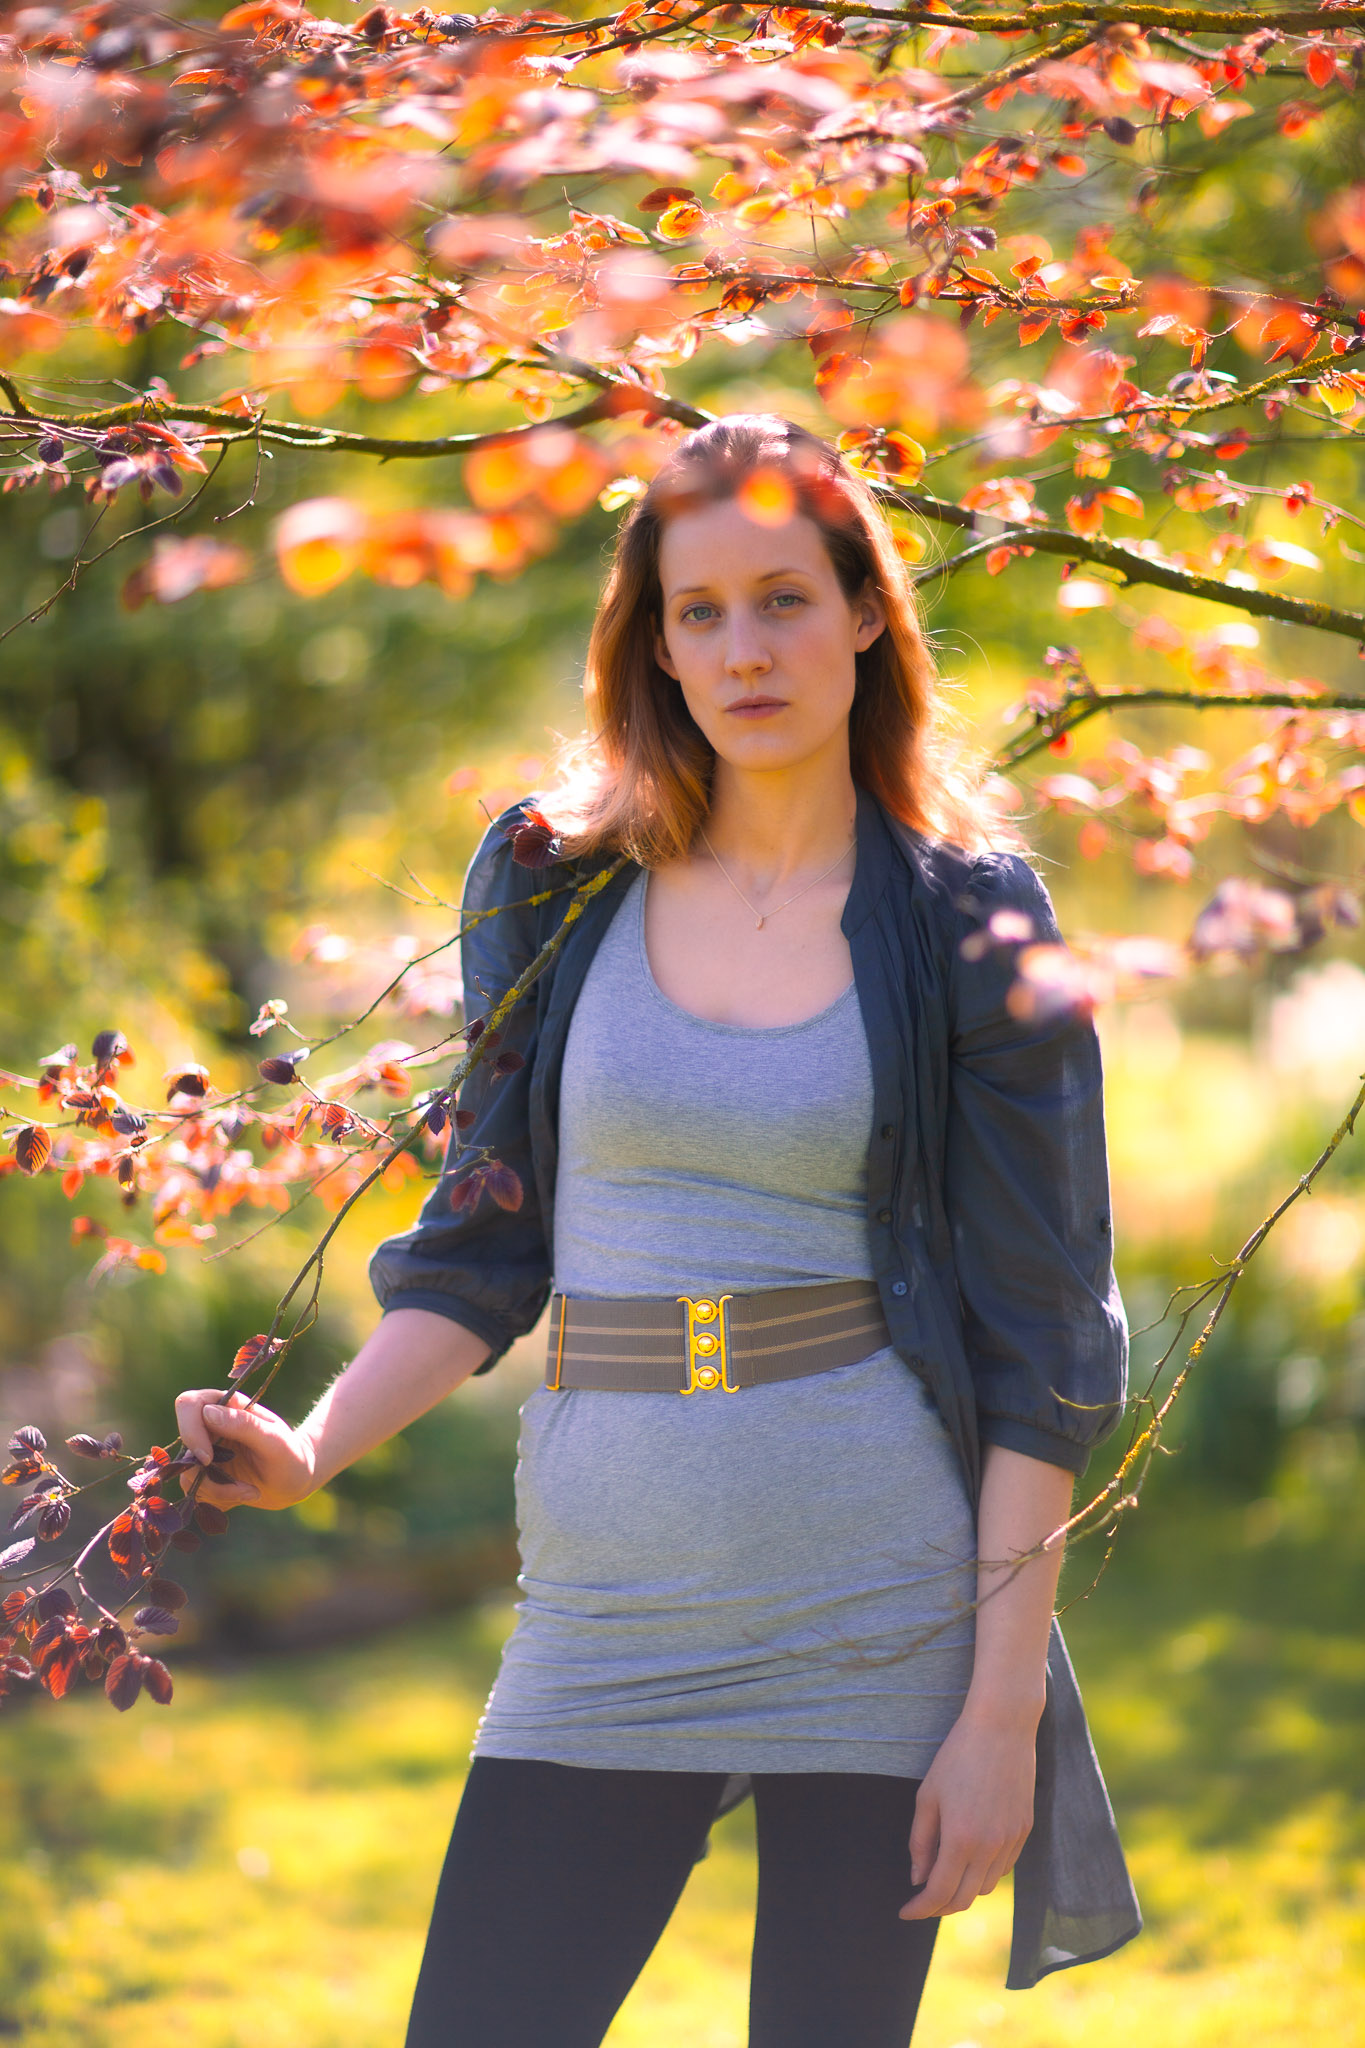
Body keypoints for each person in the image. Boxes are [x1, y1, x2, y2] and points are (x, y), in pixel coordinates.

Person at [176, 415, 1139, 2048]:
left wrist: (993, 1720)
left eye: (781, 598)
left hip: (873, 1599)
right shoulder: (555, 882)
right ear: (652, 642)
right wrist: (312, 1446)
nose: (743, 649)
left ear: (861, 613)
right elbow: (485, 1243)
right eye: (699, 611)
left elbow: (1038, 1331)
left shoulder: (968, 916)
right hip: (606, 1607)